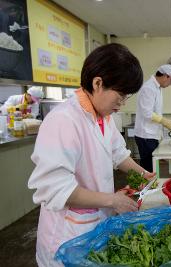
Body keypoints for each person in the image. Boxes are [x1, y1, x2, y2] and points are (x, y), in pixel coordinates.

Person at [27, 43, 156, 266]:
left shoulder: (103, 117)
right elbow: (55, 188)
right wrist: (112, 200)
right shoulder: (64, 121)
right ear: (98, 83)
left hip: (95, 224)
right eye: (121, 95)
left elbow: (119, 154)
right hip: (67, 235)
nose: (122, 103)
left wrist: (145, 175)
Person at [133, 64, 171, 172]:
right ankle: (146, 187)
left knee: (152, 165)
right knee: (148, 167)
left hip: (151, 134)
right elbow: (147, 113)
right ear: (166, 76)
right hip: (145, 135)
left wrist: (163, 122)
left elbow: (155, 111)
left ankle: (150, 185)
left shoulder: (157, 88)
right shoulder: (149, 88)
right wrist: (163, 121)